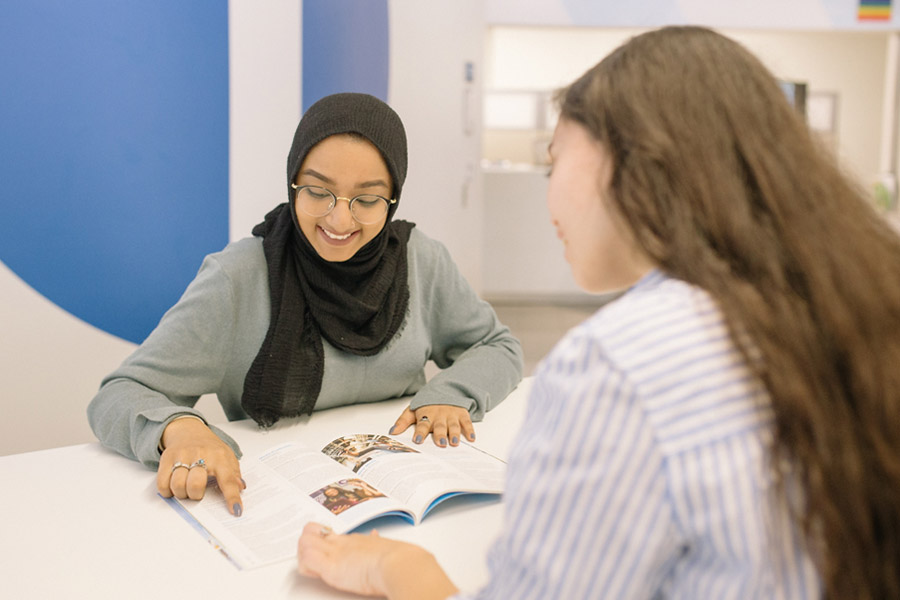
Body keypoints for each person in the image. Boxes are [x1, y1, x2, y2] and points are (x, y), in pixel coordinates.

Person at [296, 26, 900, 599]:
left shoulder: (619, 364)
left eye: (557, 161)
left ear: (635, 163)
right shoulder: (840, 307)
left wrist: (396, 566)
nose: (341, 217)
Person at [87, 93, 524, 518]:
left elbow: (494, 345)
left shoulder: (419, 260)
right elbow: (119, 393)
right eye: (318, 191)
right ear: (293, 181)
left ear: (393, 199)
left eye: (368, 200)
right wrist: (180, 429)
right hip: (277, 508)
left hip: (413, 502)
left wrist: (450, 394)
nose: (339, 220)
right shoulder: (238, 277)